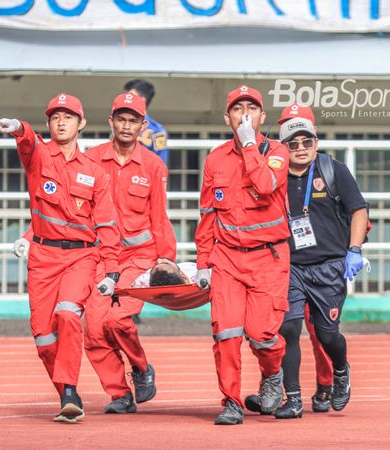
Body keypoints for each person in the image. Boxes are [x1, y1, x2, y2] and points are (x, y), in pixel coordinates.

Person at [0, 93, 121, 424]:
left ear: (81, 124)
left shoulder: (95, 171)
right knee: (42, 335)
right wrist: (19, 128)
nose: (60, 121)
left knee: (67, 314)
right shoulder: (38, 157)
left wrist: (111, 271)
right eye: (54, 117)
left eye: (68, 116)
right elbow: (27, 142)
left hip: (82, 256)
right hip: (43, 256)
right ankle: (67, 389)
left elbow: (107, 223)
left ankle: (68, 393)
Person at [249, 116, 369, 419]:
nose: (301, 148)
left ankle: (340, 371)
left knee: (327, 334)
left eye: (307, 141)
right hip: (290, 266)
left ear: (316, 142)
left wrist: (354, 250)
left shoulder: (333, 170)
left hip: (328, 267)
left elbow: (358, 210)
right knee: (289, 328)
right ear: (284, 147)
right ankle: (293, 399)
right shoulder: (274, 174)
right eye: (293, 143)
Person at [195, 85, 291, 425]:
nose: (245, 114)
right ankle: (231, 402)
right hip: (227, 260)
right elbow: (208, 213)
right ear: (227, 118)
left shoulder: (277, 150)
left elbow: (265, 184)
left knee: (263, 334)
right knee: (226, 334)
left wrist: (250, 144)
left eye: (252, 109)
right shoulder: (215, 158)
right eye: (238, 109)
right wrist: (203, 263)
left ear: (262, 117)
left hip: (268, 259)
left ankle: (272, 375)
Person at [82, 92, 177, 414]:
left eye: (132, 120)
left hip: (140, 257)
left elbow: (159, 216)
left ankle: (140, 367)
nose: (126, 125)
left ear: (142, 125)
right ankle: (119, 393)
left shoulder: (153, 165)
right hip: (100, 258)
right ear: (111, 122)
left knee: (118, 319)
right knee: (94, 328)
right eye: (120, 119)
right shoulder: (91, 159)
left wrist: (166, 258)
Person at [124, 79, 169, 164]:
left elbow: (162, 163)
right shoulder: (119, 124)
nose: (125, 99)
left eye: (129, 96)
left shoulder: (158, 131)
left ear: (142, 100)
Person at [132, 259, 198, 287]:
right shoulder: (195, 274)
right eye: (166, 263)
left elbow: (135, 286)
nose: (158, 260)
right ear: (182, 274)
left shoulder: (147, 277)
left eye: (156, 264)